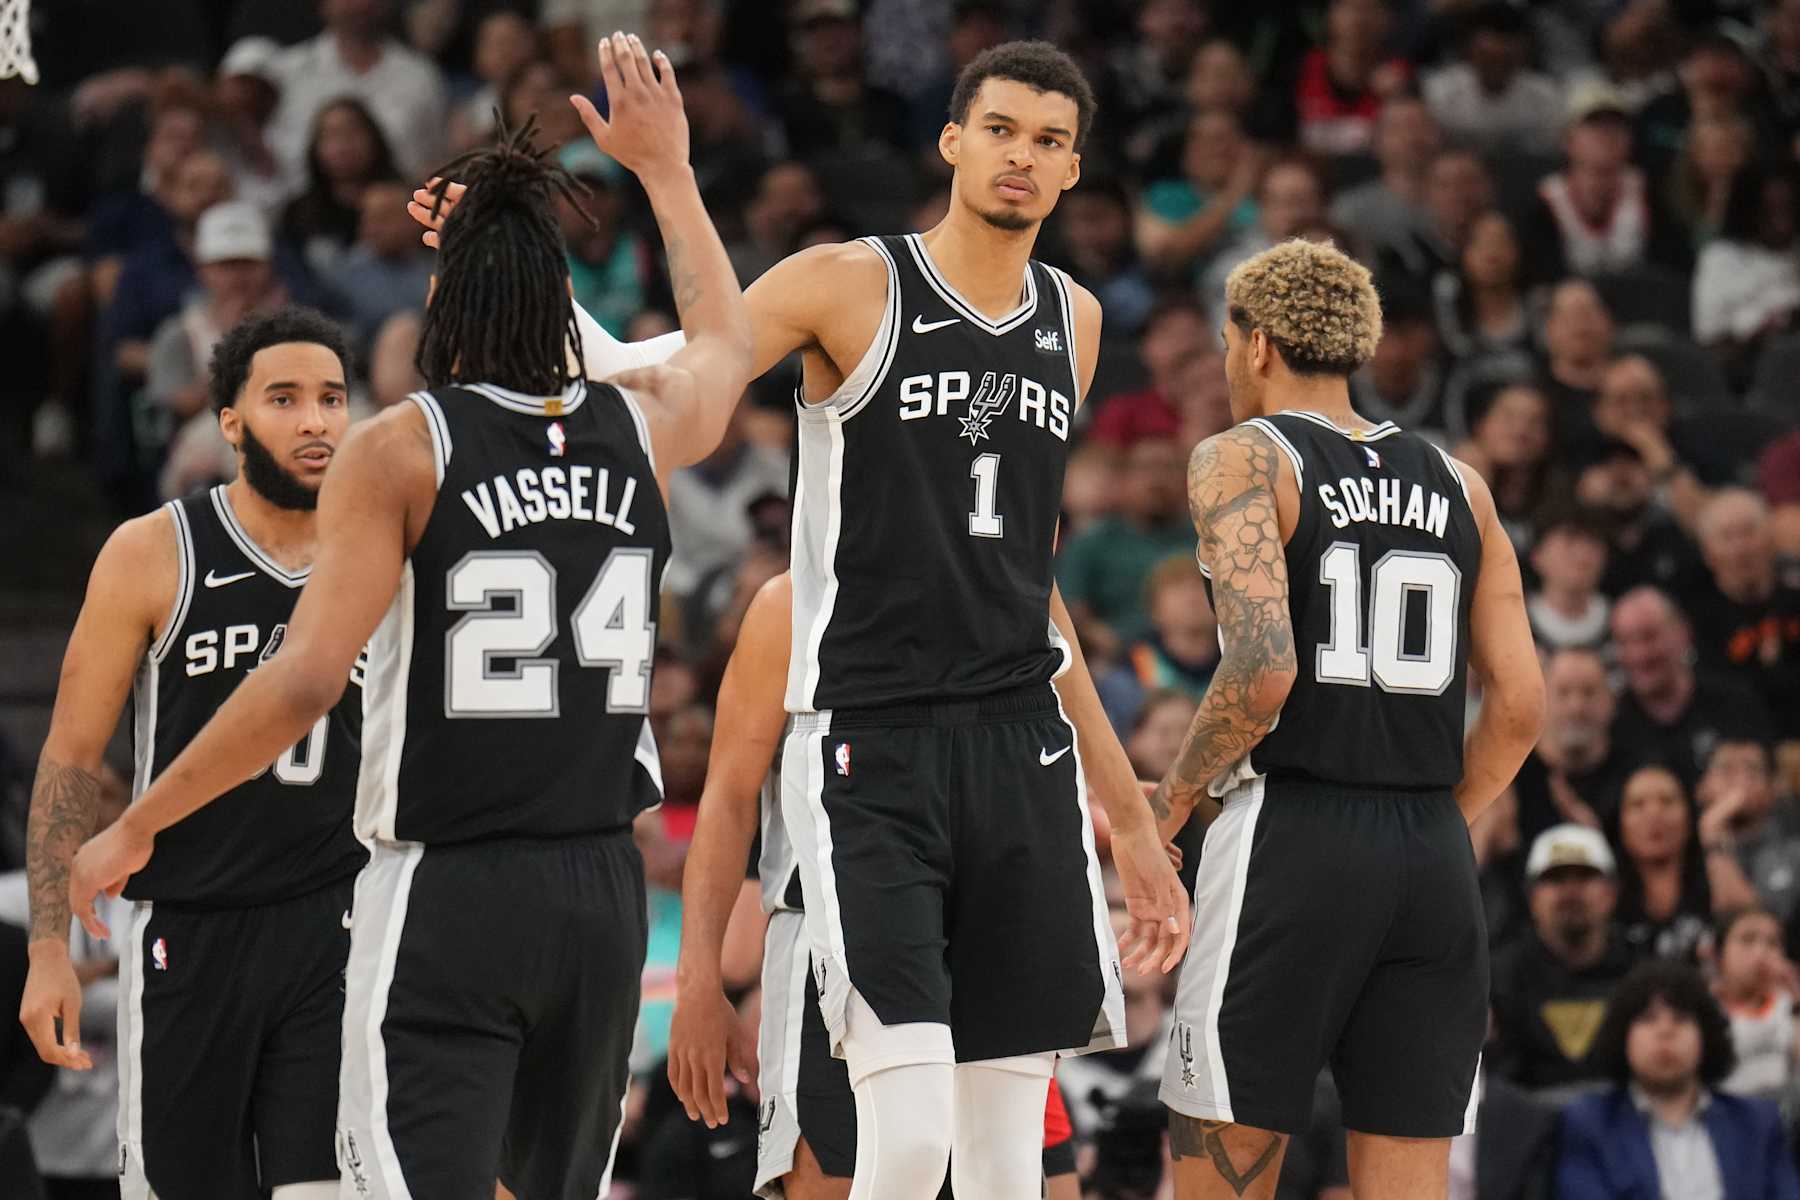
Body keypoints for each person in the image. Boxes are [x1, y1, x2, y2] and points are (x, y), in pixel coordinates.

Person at [414, 40, 1190, 1197]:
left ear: (1075, 170)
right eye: (1000, 129)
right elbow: (678, 370)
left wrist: (1126, 815)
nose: (1020, 156)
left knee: (1002, 1166)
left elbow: (1037, 592)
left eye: (1047, 141)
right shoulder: (849, 283)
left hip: (1022, 748)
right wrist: (544, 252)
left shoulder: (1070, 323)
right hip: (875, 743)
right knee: (910, 1138)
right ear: (952, 140)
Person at [69, 36, 755, 1199]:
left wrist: (143, 820)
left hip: (447, 888)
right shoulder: (643, 426)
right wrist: (669, 172)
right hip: (599, 891)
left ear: (450, 304)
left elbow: (302, 681)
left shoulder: (402, 445)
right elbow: (729, 340)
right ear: (560, 303)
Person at [1150, 239, 1544, 1198]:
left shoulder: (1244, 456)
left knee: (1221, 1175)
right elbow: (1524, 707)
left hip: (1292, 834)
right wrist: (1439, 815)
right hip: (1431, 857)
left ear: (1255, 345)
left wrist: (1163, 807)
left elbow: (1262, 669)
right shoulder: (1463, 485)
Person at [19, 306, 361, 1200]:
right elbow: (69, 756)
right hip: (191, 925)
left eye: (332, 397)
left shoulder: (383, 552)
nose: (316, 419)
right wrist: (48, 947)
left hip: (344, 924)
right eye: (284, 398)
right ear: (231, 422)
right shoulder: (152, 551)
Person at [669, 571, 1087, 1200]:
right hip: (830, 932)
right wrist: (698, 980)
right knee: (840, 1179)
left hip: (981, 929)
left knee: (1020, 1179)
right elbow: (726, 796)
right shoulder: (793, 603)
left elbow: (1068, 732)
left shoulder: (1005, 580)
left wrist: (1130, 819)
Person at [1556, 960, 1800, 1200]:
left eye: (1681, 1019)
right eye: (1648, 1019)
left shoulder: (1756, 1123)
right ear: (1623, 1036)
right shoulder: (1590, 1124)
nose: (1665, 1031)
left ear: (1705, 1035)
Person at [1489, 825, 1635, 1099]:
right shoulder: (1495, 977)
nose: (1570, 891)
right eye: (1555, 879)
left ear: (1612, 892)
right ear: (1531, 897)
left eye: (1585, 876)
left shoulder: (1642, 973)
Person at [1609, 587, 1775, 787]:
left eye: (1649, 637)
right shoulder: (1611, 723)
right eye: (1625, 642)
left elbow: (1768, 785)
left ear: (1683, 632)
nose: (1639, 655)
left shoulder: (1736, 704)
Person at [1510, 646, 1628, 846]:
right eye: (1563, 693)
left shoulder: (1632, 779)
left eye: (1589, 693)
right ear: (1541, 700)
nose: (1576, 708)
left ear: (1611, 702)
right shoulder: (1509, 777)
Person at [1613, 764, 1714, 963]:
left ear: (1690, 817)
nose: (1654, 814)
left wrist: (1714, 840)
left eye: (1667, 802)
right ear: (1620, 823)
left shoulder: (1714, 882)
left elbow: (1742, 917)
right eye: (1637, 804)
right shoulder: (1605, 894)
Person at [1712, 906, 1800, 1107]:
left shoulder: (1791, 1004)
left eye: (1773, 943)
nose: (1761, 953)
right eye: (1747, 940)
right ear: (1718, 954)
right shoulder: (1702, 1009)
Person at [1526, 509, 1610, 652]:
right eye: (1570, 540)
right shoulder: (1515, 625)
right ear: (1537, 556)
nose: (1583, 552)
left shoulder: (1622, 626)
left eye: (1593, 540)